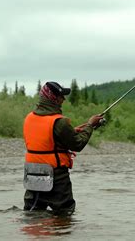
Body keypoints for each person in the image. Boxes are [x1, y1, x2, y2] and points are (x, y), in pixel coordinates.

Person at [23, 81, 103, 213]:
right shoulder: (60, 122)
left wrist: (72, 131)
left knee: (32, 213)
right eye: (61, 96)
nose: (63, 99)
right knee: (65, 214)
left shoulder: (29, 118)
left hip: (32, 174)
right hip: (56, 176)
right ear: (53, 98)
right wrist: (90, 125)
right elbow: (77, 144)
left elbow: (45, 141)